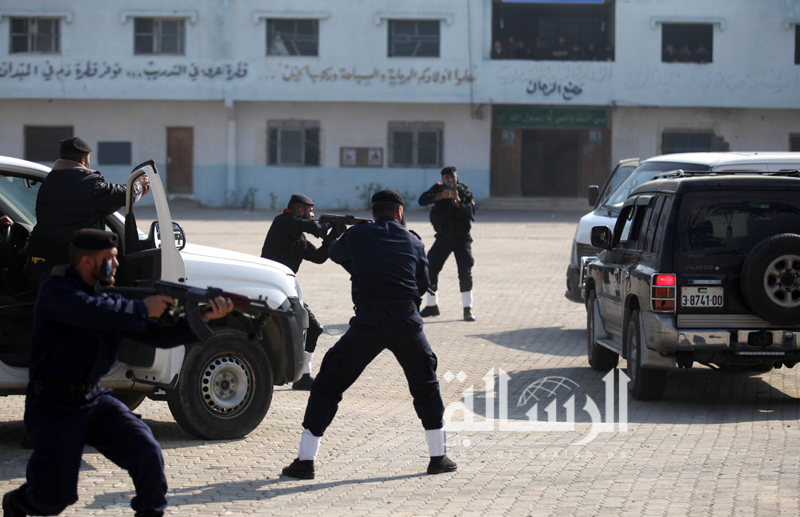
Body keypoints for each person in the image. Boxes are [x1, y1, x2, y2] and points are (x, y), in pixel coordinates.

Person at [2, 229, 234, 517]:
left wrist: (203, 317)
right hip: (54, 405)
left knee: (146, 452)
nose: (117, 264)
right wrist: (142, 308)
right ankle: (16, 504)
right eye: (110, 258)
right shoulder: (57, 292)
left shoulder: (109, 301)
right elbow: (92, 312)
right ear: (87, 262)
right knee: (54, 497)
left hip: (93, 400)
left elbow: (156, 335)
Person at [280, 190, 456, 479]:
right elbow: (424, 283)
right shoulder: (414, 240)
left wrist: (359, 262)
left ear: (374, 214)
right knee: (426, 385)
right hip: (406, 321)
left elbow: (334, 254)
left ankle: (305, 461)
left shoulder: (360, 235)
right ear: (399, 213)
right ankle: (438, 457)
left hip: (368, 322)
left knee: (328, 384)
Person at [24, 137, 151, 289]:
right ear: (83, 159)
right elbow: (122, 195)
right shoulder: (89, 184)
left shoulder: (48, 183)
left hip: (46, 268)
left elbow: (89, 208)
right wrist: (138, 186)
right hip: (79, 269)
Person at [261, 194, 344, 390]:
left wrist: (334, 236)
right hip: (269, 287)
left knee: (314, 328)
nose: (312, 214)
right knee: (265, 332)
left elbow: (318, 257)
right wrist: (326, 227)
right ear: (300, 210)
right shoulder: (282, 222)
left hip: (285, 289)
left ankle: (303, 377)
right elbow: (313, 227)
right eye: (310, 211)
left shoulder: (298, 236)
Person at [417, 166, 476, 322]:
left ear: (456, 177)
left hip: (461, 238)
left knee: (465, 271)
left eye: (451, 177)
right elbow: (422, 200)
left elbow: (469, 214)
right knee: (430, 268)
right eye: (446, 178)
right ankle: (432, 306)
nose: (449, 181)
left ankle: (467, 308)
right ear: (442, 179)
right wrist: (440, 196)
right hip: (444, 237)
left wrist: (457, 200)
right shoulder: (438, 189)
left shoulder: (464, 191)